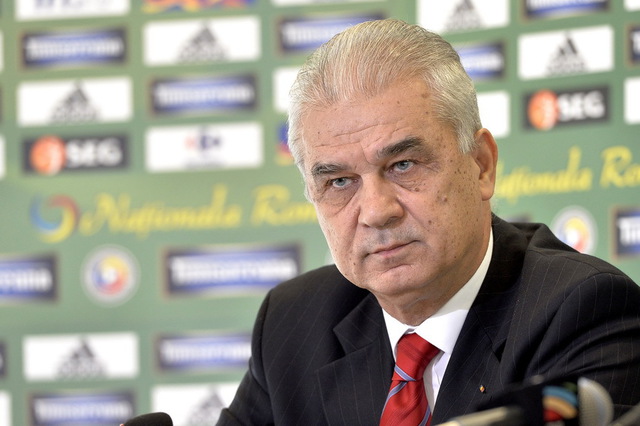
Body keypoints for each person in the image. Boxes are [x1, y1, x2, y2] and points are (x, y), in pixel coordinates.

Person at [217, 19, 640, 425]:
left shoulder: (584, 311)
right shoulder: (294, 322)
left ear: (481, 165)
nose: (376, 211)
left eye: (403, 165)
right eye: (340, 181)